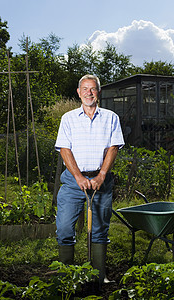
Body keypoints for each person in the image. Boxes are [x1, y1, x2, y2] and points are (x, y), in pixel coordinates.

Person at [54, 74, 124, 286]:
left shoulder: (111, 118)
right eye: (85, 89)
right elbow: (64, 149)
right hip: (73, 182)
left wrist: (101, 175)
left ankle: (98, 276)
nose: (89, 93)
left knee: (100, 229)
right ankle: (67, 276)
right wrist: (78, 177)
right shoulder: (68, 118)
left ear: (98, 92)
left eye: (92, 89)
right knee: (65, 227)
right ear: (78, 92)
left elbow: (113, 148)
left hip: (100, 181)